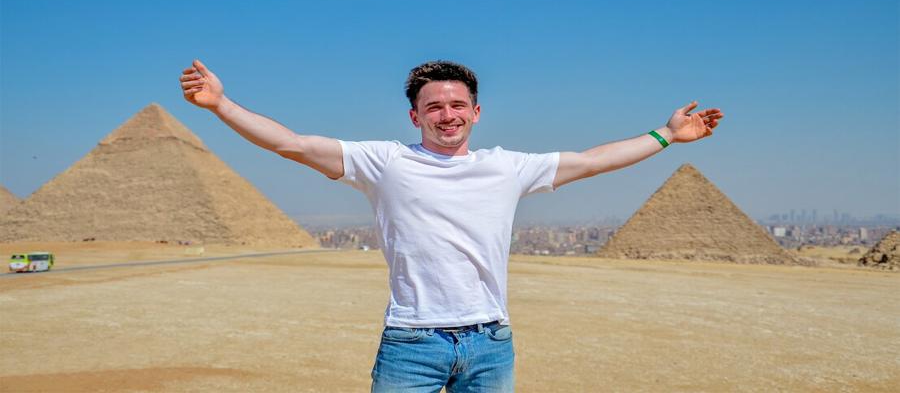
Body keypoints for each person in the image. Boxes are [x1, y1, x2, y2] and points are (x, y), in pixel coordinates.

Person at [179, 59, 723, 392]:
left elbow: (591, 161)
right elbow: (293, 144)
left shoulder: (507, 167)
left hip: (491, 340)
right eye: (434, 107)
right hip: (411, 341)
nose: (448, 115)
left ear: (476, 112)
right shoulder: (384, 161)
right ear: (414, 116)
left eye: (458, 105)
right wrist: (222, 105)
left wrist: (667, 136)